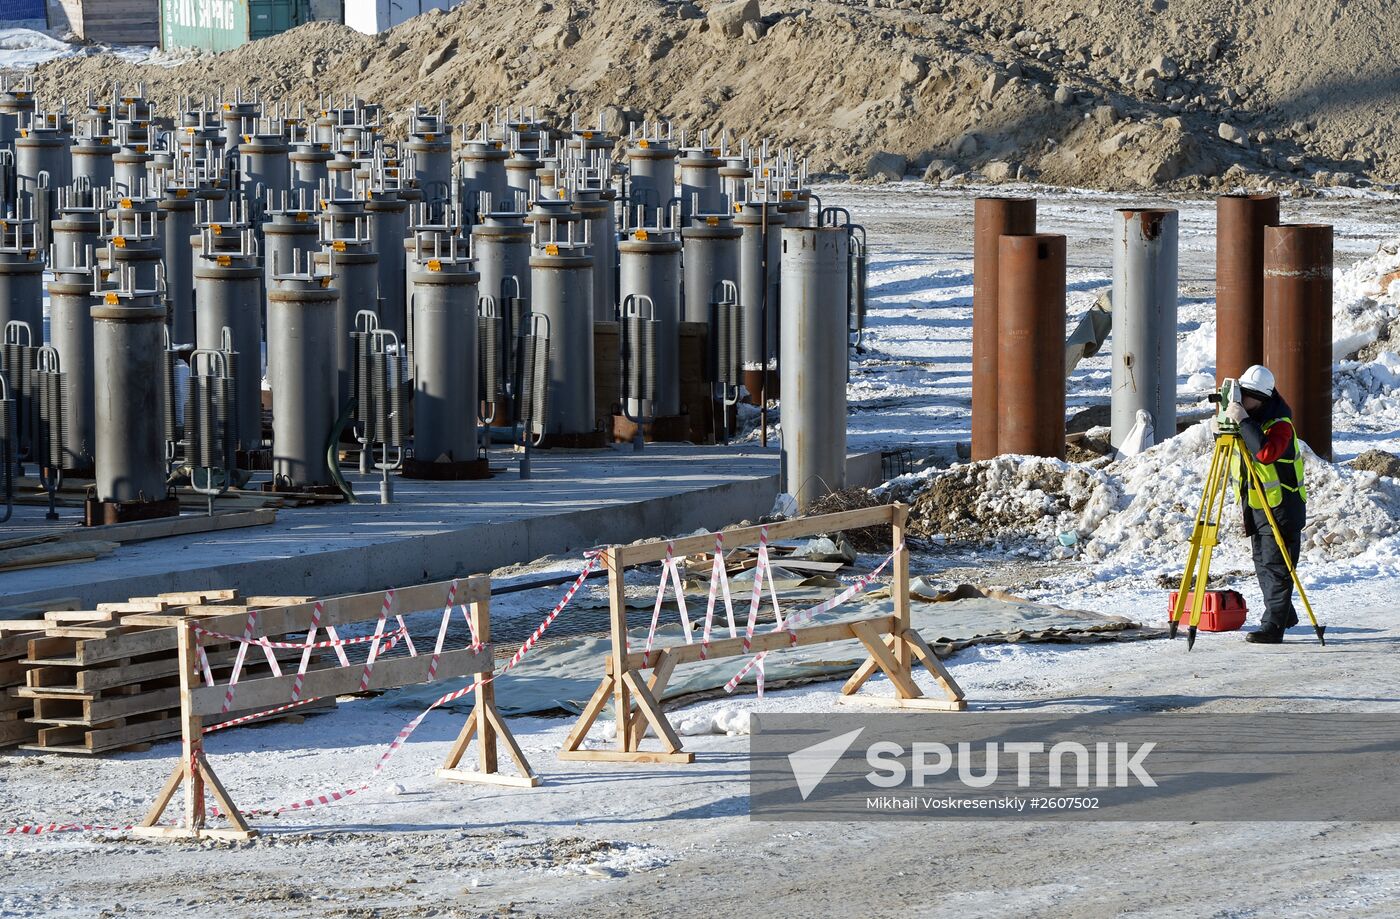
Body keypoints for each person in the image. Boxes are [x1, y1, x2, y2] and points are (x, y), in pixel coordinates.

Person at [1222, 365, 1307, 644]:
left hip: (1282, 508)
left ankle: (1273, 627)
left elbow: (1265, 453)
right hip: (1258, 507)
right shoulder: (1255, 419)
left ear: (1260, 398)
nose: (1240, 401)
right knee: (1263, 564)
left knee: (1276, 566)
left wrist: (1244, 422)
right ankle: (1284, 613)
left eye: (1245, 395)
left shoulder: (1280, 424)